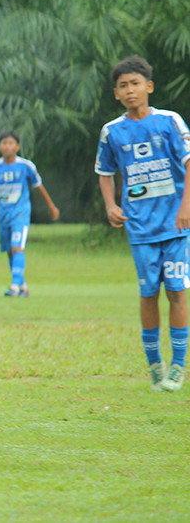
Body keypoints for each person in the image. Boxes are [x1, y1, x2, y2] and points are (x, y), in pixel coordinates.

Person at [95, 55, 190, 392]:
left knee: (177, 291)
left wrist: (186, 205)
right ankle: (155, 366)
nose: (130, 90)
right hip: (140, 228)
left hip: (176, 226)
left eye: (136, 83)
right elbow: (105, 173)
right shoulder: (112, 132)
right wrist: (110, 205)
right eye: (123, 86)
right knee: (148, 293)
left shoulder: (170, 122)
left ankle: (178, 366)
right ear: (116, 94)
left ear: (149, 87)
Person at [0, 130, 60, 297]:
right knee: (10, 250)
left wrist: (51, 207)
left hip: (20, 214)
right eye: (4, 143)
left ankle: (14, 286)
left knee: (17, 248)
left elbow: (39, 187)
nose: (7, 146)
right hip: (4, 215)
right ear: (0, 146)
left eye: (10, 143)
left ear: (17, 146)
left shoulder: (26, 166)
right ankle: (23, 286)